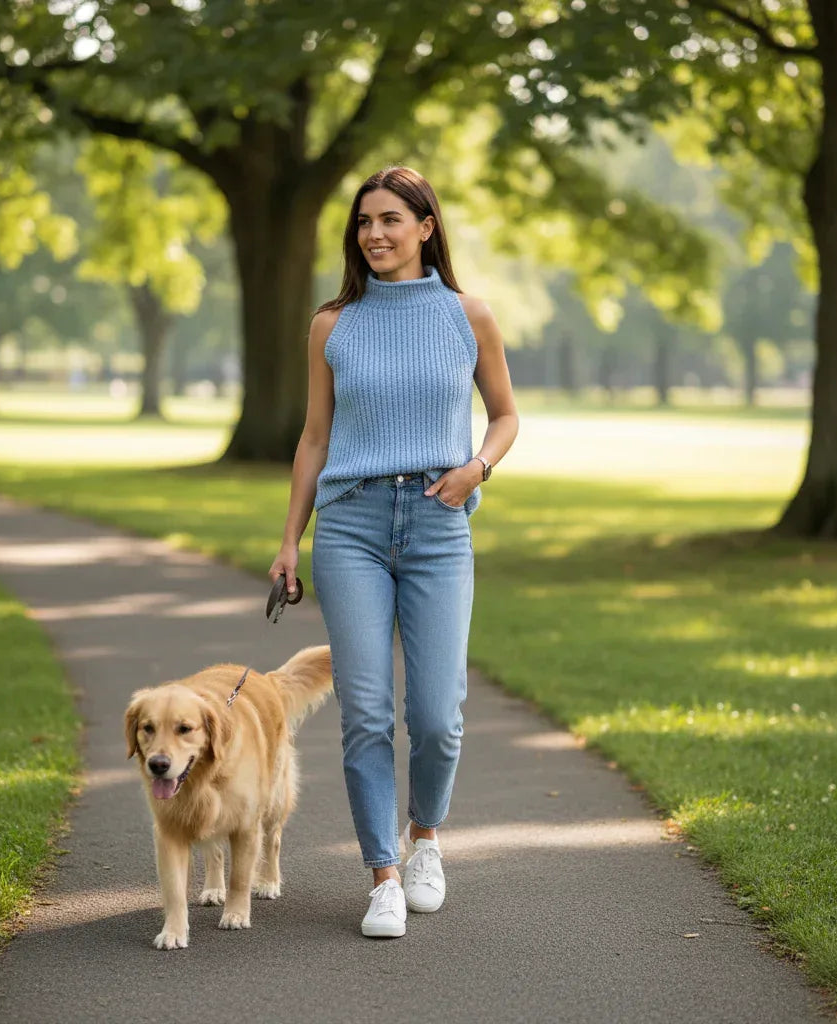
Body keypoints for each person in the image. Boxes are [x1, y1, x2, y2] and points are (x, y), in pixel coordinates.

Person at [269, 165, 519, 938]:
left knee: (437, 716)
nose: (374, 234)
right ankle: (381, 873)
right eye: (364, 222)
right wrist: (288, 541)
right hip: (351, 523)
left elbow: (506, 417)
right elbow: (314, 438)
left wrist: (477, 467)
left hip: (440, 524)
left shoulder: (467, 316)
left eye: (390, 220)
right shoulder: (332, 324)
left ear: (425, 227)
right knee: (367, 711)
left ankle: (427, 842)